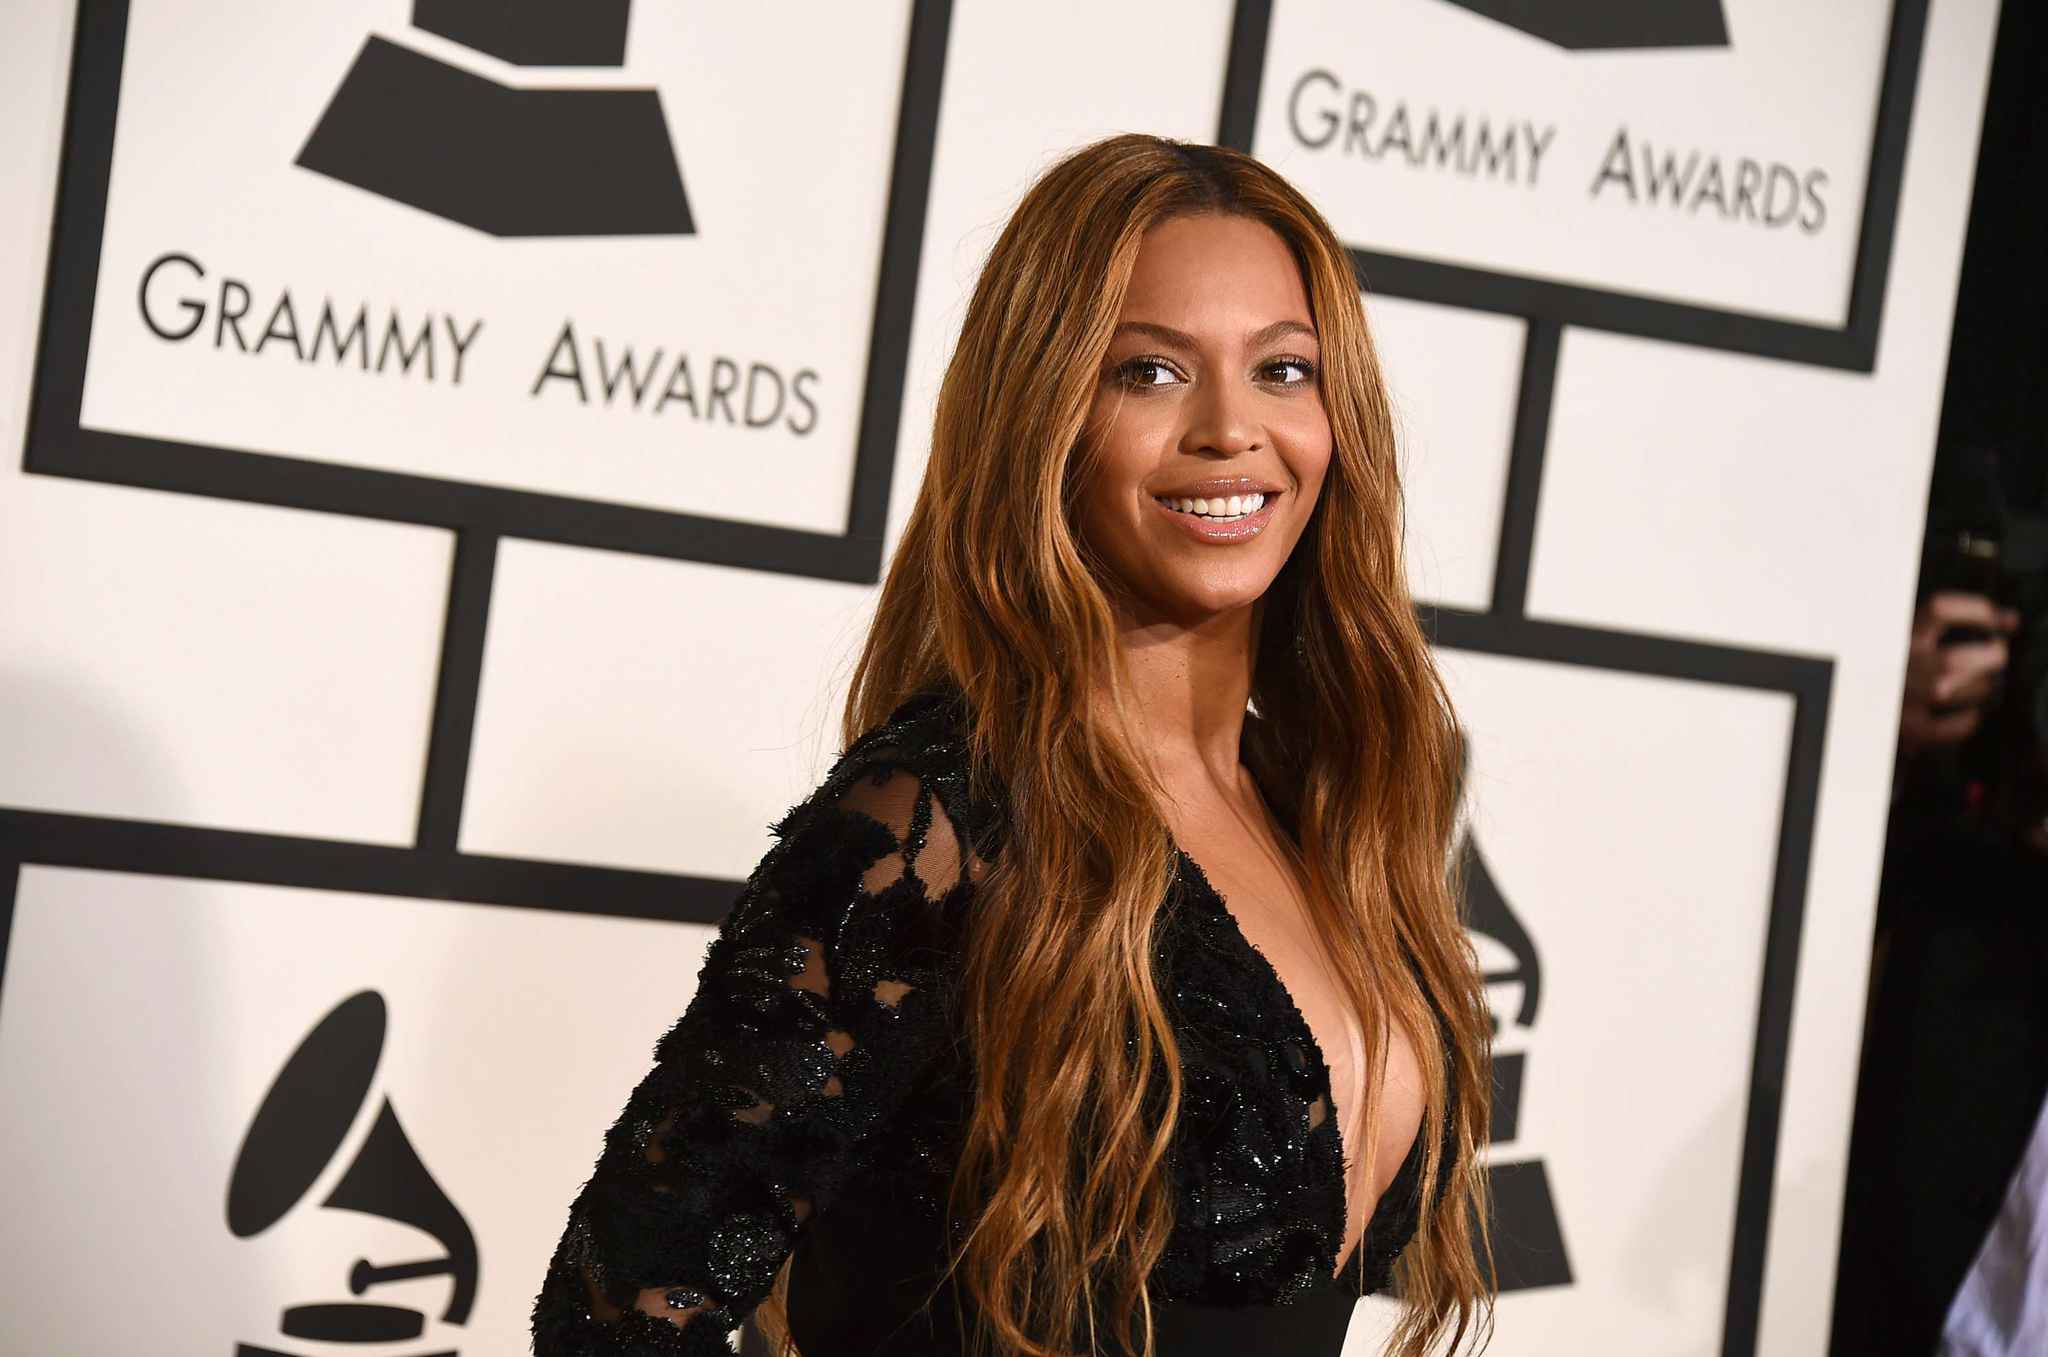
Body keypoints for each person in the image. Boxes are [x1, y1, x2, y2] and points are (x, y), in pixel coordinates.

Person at [529, 134, 1495, 1357]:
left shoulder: (1330, 817)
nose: (1228, 430)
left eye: (1283, 371)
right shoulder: (937, 819)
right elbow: (617, 1316)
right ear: (1043, 415)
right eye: (1147, 372)